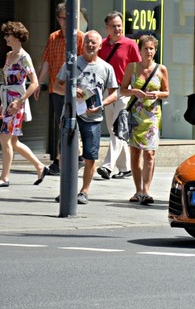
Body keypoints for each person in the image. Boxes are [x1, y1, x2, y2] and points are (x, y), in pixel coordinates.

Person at [53, 30, 118, 204]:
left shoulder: (106, 68)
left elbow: (114, 94)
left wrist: (102, 104)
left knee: (90, 154)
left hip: (93, 116)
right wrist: (71, 91)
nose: (90, 45)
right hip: (71, 114)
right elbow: (56, 87)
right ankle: (66, 189)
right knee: (66, 153)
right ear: (83, 43)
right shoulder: (71, 64)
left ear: (100, 45)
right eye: (87, 41)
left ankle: (84, 191)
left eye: (93, 43)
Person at [0, 21, 48, 188]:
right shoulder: (9, 55)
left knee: (4, 138)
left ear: (16, 37)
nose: (5, 38)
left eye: (8, 35)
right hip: (8, 101)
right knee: (13, 142)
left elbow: (34, 83)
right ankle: (40, 166)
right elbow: (7, 82)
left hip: (16, 103)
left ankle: (5, 177)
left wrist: (20, 100)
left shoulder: (24, 57)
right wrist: (2, 103)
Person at [34, 2, 84, 176]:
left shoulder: (80, 37)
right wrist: (38, 83)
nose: (67, 22)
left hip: (74, 90)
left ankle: (69, 158)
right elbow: (47, 62)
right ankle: (66, 158)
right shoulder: (53, 37)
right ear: (58, 19)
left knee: (72, 122)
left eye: (69, 18)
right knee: (61, 123)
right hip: (56, 89)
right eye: (63, 18)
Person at [120, 35, 169, 205]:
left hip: (153, 115)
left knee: (150, 153)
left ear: (155, 50)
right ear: (139, 50)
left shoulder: (161, 69)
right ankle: (138, 190)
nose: (148, 51)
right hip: (135, 115)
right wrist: (134, 91)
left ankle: (146, 191)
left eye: (151, 48)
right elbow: (122, 90)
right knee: (135, 153)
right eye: (145, 48)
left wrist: (158, 94)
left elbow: (167, 92)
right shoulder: (132, 67)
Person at [96, 11, 142, 180]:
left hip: (124, 92)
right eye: (114, 26)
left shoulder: (130, 44)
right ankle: (125, 167)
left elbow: (138, 68)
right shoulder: (101, 45)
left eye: (119, 26)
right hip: (107, 92)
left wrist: (136, 90)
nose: (117, 29)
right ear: (107, 27)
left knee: (117, 128)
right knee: (113, 129)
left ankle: (107, 166)